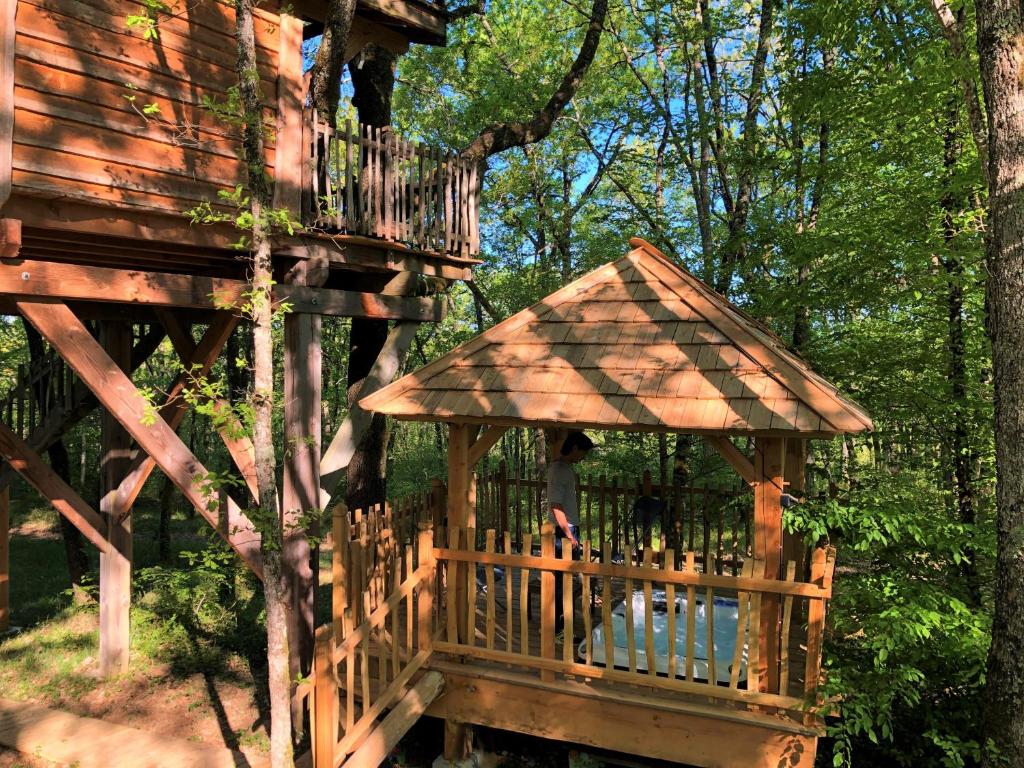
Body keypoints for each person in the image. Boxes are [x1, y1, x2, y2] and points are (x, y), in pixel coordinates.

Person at [547, 430, 594, 635]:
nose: (583, 457)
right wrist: (568, 534)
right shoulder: (559, 471)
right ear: (574, 448)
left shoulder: (563, 468)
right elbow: (555, 505)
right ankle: (558, 630)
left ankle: (563, 626)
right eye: (583, 453)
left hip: (568, 529)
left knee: (566, 580)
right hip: (563, 532)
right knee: (560, 582)